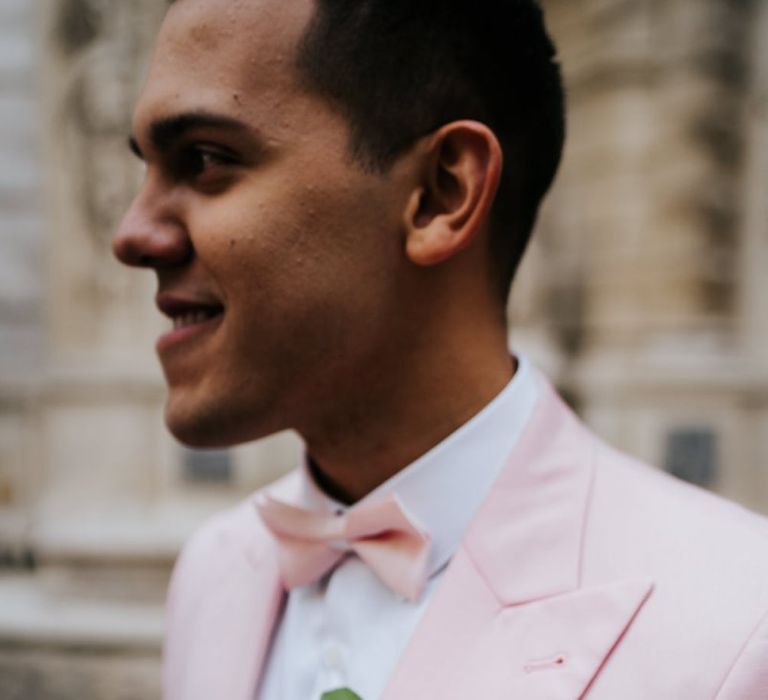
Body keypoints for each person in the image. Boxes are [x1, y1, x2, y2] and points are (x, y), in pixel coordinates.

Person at [112, 0, 768, 698]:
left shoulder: (738, 621)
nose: (131, 234)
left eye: (205, 160)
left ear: (440, 193)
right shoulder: (215, 572)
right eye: (146, 170)